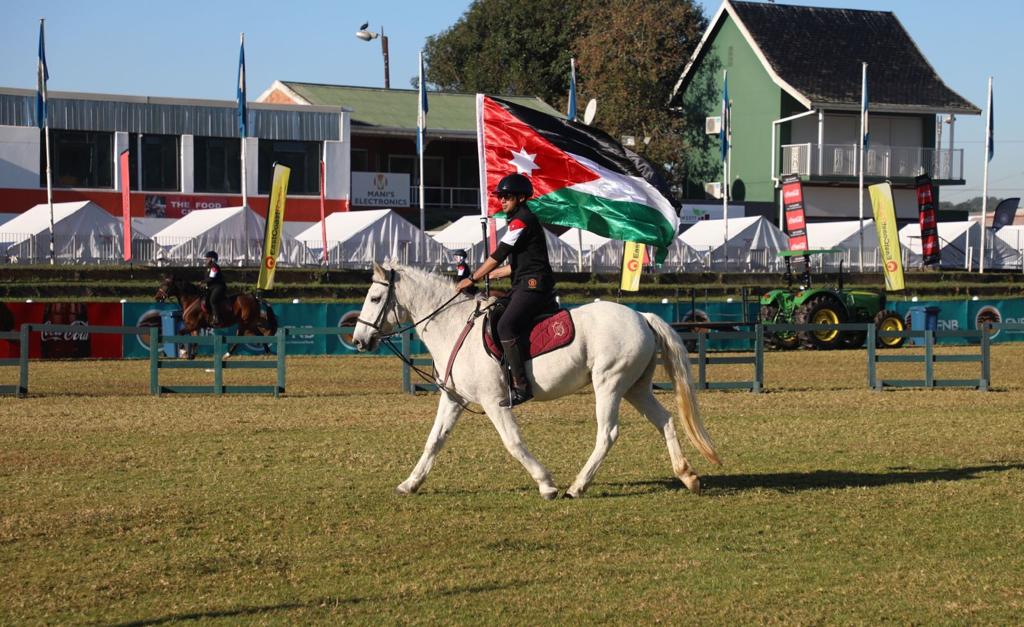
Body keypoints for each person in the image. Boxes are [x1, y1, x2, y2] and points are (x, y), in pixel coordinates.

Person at [455, 173, 556, 407]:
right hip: (523, 282)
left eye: (507, 196)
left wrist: (472, 278)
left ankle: (521, 386)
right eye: (500, 196)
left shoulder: (522, 220)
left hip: (533, 287)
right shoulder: (518, 220)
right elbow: (514, 266)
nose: (502, 200)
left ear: (521, 198)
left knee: (505, 325)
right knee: (495, 314)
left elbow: (498, 255)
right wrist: (487, 276)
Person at [203, 250, 227, 326]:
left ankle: (217, 318)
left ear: (212, 259)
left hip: (218, 287)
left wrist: (203, 282)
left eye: (207, 258)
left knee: (212, 300)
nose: (206, 260)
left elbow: (212, 278)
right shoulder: (208, 267)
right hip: (211, 288)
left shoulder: (214, 267)